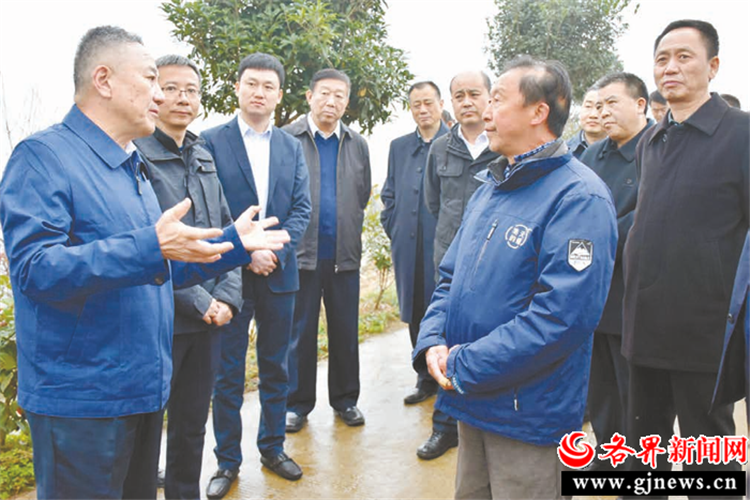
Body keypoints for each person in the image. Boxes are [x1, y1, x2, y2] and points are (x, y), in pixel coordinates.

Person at [0, 26, 288, 499]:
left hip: (143, 389)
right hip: (84, 401)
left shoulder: (129, 165)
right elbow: (35, 269)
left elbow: (159, 265)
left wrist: (232, 245)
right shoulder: (44, 158)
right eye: (151, 79)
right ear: (104, 80)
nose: (160, 95)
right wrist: (149, 246)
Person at [413, 56, 617, 499]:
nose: (485, 112)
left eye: (498, 100)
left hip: (528, 413)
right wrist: (433, 340)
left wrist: (463, 364)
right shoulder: (491, 187)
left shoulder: (579, 198)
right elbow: (450, 278)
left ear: (538, 112)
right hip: (472, 397)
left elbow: (562, 316)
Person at [622, 19, 749, 476]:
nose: (670, 67)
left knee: (708, 460)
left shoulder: (741, 134)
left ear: (712, 66)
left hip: (705, 333)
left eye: (684, 57)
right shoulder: (651, 140)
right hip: (645, 325)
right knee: (642, 452)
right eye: (662, 58)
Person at [201, 53, 311, 495]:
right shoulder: (211, 141)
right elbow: (209, 207)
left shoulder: (290, 146)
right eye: (251, 83)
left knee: (276, 367)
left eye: (268, 86)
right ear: (237, 87)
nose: (259, 92)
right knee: (227, 372)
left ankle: (273, 447)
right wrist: (245, 253)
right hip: (228, 273)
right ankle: (227, 461)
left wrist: (272, 253)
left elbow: (301, 209)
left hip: (279, 274)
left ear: (279, 94)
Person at [133, 55, 242, 499]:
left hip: (210, 320)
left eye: (191, 90)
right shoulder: (137, 156)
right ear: (153, 94)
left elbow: (226, 227)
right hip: (163, 316)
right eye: (172, 88)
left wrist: (228, 297)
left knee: (192, 425)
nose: (183, 98)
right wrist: (202, 302)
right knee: (146, 431)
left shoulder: (201, 153)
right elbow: (147, 244)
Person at [283, 69, 371, 432]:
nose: (331, 101)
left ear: (347, 102)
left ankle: (346, 400)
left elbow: (362, 194)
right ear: (309, 96)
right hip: (300, 255)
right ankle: (296, 405)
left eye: (339, 95)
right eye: (324, 93)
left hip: (343, 255)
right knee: (300, 334)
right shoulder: (288, 139)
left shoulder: (357, 143)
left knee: (345, 333)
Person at [419, 70, 498, 460]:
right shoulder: (440, 148)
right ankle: (444, 427)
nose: (467, 102)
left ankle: (487, 424)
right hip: (451, 262)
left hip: (495, 262)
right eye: (459, 95)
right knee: (445, 341)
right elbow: (433, 202)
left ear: (489, 97)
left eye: (474, 94)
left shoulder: (501, 144)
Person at [579, 72, 652, 467]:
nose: (603, 112)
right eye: (598, 104)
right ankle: (609, 454)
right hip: (595, 290)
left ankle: (638, 466)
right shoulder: (593, 156)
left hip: (636, 292)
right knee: (601, 385)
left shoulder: (658, 149)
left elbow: (652, 214)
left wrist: (598, 236)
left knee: (636, 392)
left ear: (640, 104)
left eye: (612, 103)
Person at [380, 81, 449, 407]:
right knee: (415, 311)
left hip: (443, 247)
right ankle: (424, 378)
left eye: (428, 103)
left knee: (444, 310)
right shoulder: (399, 146)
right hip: (408, 247)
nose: (422, 110)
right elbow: (389, 194)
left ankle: (447, 375)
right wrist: (394, 226)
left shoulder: (453, 143)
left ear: (440, 104)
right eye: (416, 104)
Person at [567, 87, 606, 158]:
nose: (593, 115)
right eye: (588, 106)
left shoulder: (623, 153)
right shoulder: (564, 152)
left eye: (600, 107)